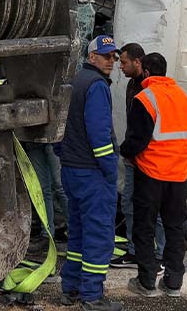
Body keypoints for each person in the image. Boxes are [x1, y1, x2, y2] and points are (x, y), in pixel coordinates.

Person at [120, 52, 187, 298]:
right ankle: (173, 283)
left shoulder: (145, 98)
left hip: (150, 175)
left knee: (144, 227)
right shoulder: (186, 98)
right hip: (178, 177)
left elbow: (136, 140)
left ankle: (146, 282)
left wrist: (125, 153)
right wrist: (184, 162)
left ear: (145, 71)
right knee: (175, 228)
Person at [58, 35, 123, 311]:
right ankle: (92, 297)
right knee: (99, 235)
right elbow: (100, 135)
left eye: (114, 57)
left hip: (71, 170)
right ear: (92, 57)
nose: (111, 61)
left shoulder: (75, 81)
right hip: (92, 173)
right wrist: (110, 170)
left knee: (78, 234)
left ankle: (70, 287)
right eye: (106, 56)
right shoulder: (96, 85)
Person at [112, 44, 163, 267]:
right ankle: (134, 251)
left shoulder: (154, 89)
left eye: (123, 62)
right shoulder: (132, 85)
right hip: (134, 158)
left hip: (152, 160)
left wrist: (127, 149)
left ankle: (161, 255)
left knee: (156, 208)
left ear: (138, 62)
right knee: (129, 204)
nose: (120, 67)